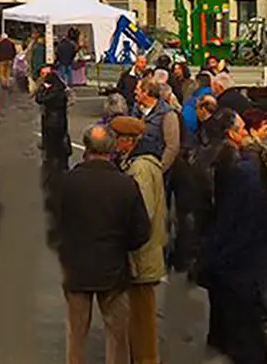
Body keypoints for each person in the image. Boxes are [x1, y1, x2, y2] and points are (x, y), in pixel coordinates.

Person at [57, 124, 151, 364]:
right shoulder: (125, 184)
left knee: (76, 333)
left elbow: (57, 221)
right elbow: (142, 231)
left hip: (76, 264)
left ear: (86, 147)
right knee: (117, 334)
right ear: (112, 149)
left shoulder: (67, 182)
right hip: (113, 266)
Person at [199, 109, 267, 363]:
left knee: (229, 321)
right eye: (242, 129)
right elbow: (243, 221)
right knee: (248, 333)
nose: (245, 133)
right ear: (231, 133)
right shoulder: (242, 171)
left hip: (218, 255)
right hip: (238, 262)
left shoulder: (204, 160)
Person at [111, 116, 165, 364]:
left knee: (143, 317)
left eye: (117, 139)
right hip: (143, 252)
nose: (114, 144)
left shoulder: (140, 168)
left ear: (128, 141)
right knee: (139, 314)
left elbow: (142, 212)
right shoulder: (139, 163)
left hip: (142, 254)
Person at [130, 75, 181, 175]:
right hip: (137, 165)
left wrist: (159, 170)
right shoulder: (137, 110)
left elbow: (172, 147)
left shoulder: (168, 114)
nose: (135, 92)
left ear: (146, 92)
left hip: (155, 168)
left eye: (137, 89)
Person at [27, 29, 48, 95]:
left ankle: (36, 91)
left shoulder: (36, 46)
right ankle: (36, 91)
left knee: (38, 80)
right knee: (39, 80)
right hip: (39, 66)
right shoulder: (39, 47)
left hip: (38, 66)